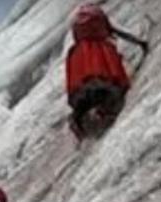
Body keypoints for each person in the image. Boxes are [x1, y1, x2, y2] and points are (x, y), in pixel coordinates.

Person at [64, 3, 150, 138]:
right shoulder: (101, 44)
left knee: (85, 99)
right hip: (100, 74)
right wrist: (141, 43)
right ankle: (103, 112)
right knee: (108, 93)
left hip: (81, 76)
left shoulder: (77, 49)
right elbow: (121, 33)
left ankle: (80, 121)